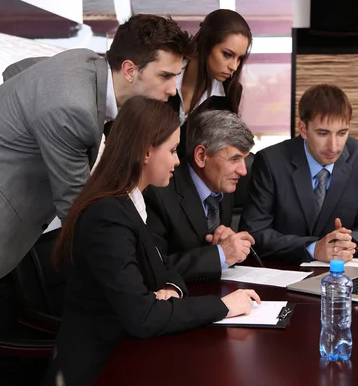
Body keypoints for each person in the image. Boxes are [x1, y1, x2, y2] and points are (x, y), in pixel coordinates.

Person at [0, 14, 191, 385]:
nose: (172, 90)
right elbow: (79, 215)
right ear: (131, 70)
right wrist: (142, 291)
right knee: (2, 348)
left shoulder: (85, 64)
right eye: (166, 76)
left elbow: (17, 70)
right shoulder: (73, 109)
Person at [46, 96, 260, 386]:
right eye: (172, 150)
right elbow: (143, 316)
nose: (176, 160)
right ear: (147, 152)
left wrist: (170, 288)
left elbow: (165, 268)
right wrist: (223, 306)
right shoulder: (107, 215)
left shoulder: (131, 202)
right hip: (99, 368)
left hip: (131, 352)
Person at [239, 84, 358, 264]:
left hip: (343, 271)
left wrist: (349, 244)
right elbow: (254, 233)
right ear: (303, 129)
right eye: (323, 133)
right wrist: (314, 248)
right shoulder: (270, 162)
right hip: (285, 272)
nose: (334, 146)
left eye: (342, 133)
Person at [144, 109, 255, 282]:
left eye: (245, 159)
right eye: (235, 159)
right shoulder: (159, 193)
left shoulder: (223, 185)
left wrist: (224, 243)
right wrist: (219, 254)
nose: (243, 170)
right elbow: (153, 268)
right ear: (201, 156)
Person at [170, 9, 252, 158]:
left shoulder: (230, 93)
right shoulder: (164, 73)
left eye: (239, 58)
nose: (234, 66)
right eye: (227, 54)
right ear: (206, 44)